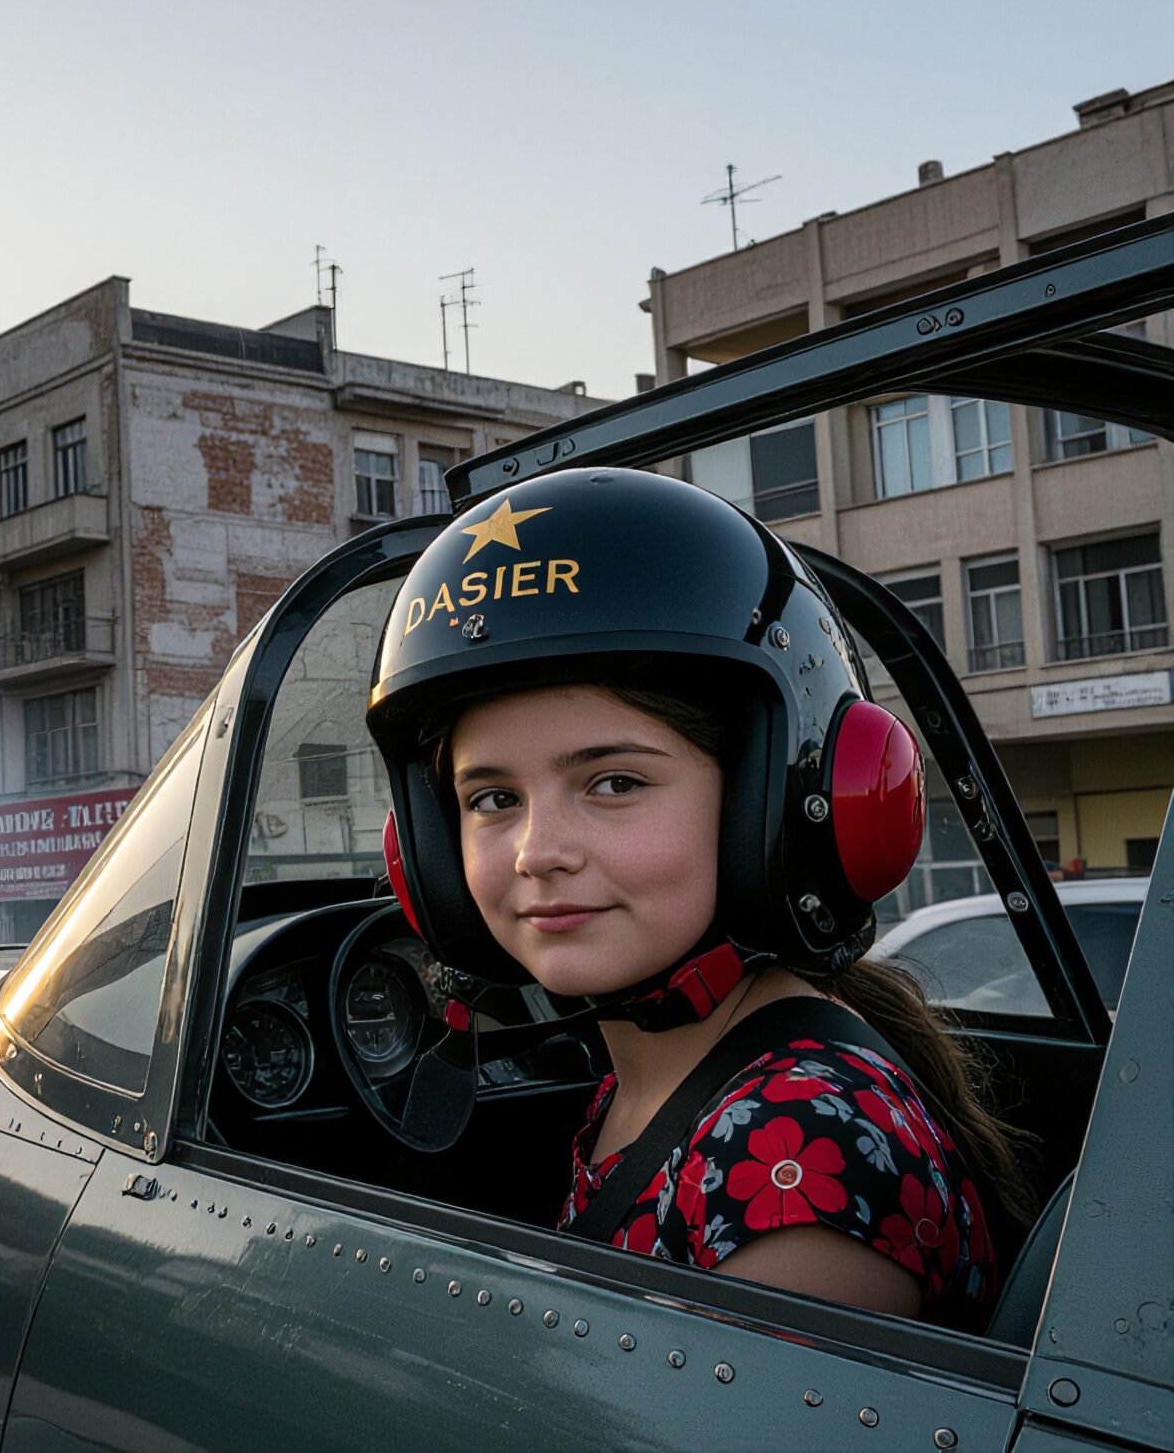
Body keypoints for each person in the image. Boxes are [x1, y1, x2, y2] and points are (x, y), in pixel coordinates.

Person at [366, 467, 1022, 1328]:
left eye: (614, 781)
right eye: (493, 798)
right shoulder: (664, 1073)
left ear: (773, 807)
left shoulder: (793, 1147)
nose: (538, 852)